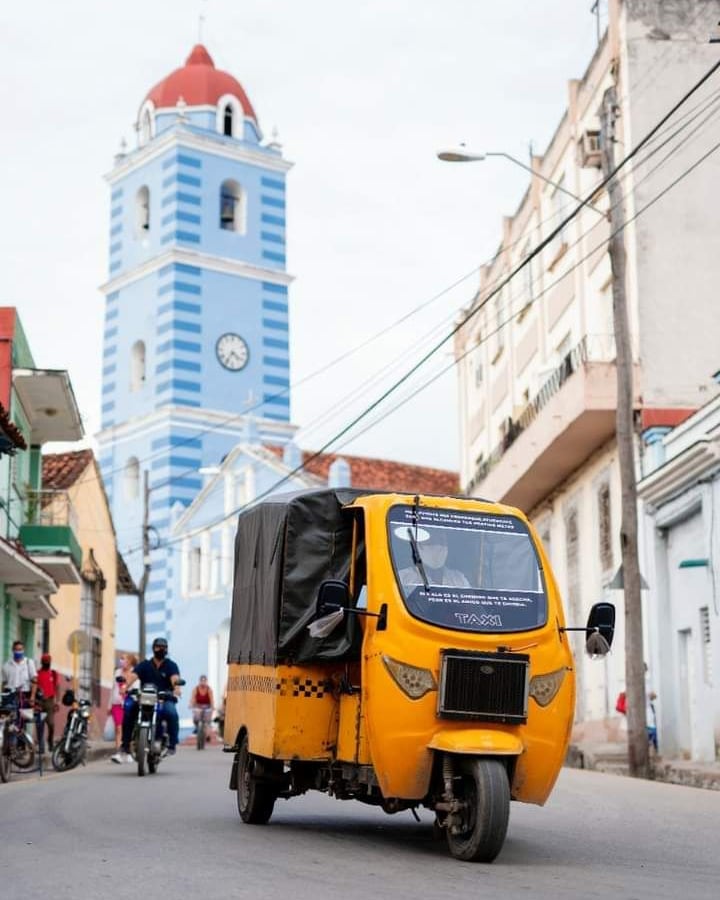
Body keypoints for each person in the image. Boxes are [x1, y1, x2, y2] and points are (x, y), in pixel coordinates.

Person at [111, 637, 182, 764]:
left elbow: (175, 678)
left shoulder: (171, 665)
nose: (160, 649)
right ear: (153, 648)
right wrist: (125, 687)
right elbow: (133, 676)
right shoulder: (145, 665)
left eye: (163, 647)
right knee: (129, 710)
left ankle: (172, 744)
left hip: (163, 698)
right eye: (158, 647)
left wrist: (176, 688)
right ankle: (125, 745)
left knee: (171, 712)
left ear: (166, 650)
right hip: (145, 698)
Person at [398, 529, 470, 588]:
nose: (437, 546)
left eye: (441, 541)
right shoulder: (402, 578)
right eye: (430, 542)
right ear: (418, 546)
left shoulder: (459, 579)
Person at [108, 653, 137, 752]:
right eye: (121, 659)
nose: (122, 661)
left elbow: (136, 687)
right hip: (116, 703)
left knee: (128, 727)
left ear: (130, 661)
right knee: (118, 728)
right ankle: (118, 750)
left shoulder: (134, 673)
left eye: (124, 659)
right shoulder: (117, 672)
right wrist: (109, 705)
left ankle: (128, 747)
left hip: (129, 703)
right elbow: (113, 688)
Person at [35, 653, 60, 752]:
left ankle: (50, 741)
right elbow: (34, 686)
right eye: (45, 662)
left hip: (50, 701)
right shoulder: (37, 673)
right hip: (39, 702)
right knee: (40, 725)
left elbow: (57, 688)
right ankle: (41, 747)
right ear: (42, 662)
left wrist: (57, 702)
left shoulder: (53, 673)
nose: (47, 663)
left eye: (48, 662)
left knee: (51, 724)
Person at [1, 640, 37, 708]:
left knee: (25, 714)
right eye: (16, 649)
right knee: (9, 714)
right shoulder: (6, 665)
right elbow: (4, 683)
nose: (18, 652)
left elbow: (34, 682)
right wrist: (2, 696)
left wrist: (32, 696)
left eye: (20, 649)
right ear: (12, 650)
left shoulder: (29, 663)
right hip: (10, 695)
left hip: (25, 695)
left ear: (23, 650)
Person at [190, 675, 215, 742]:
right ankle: (197, 728)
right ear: (199, 681)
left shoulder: (209, 689)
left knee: (207, 722)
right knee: (196, 718)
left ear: (206, 681)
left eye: (204, 681)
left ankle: (207, 735)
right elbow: (193, 698)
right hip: (198, 706)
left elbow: (212, 700)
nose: (203, 682)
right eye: (201, 681)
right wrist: (191, 705)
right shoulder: (196, 689)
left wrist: (212, 707)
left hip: (207, 707)